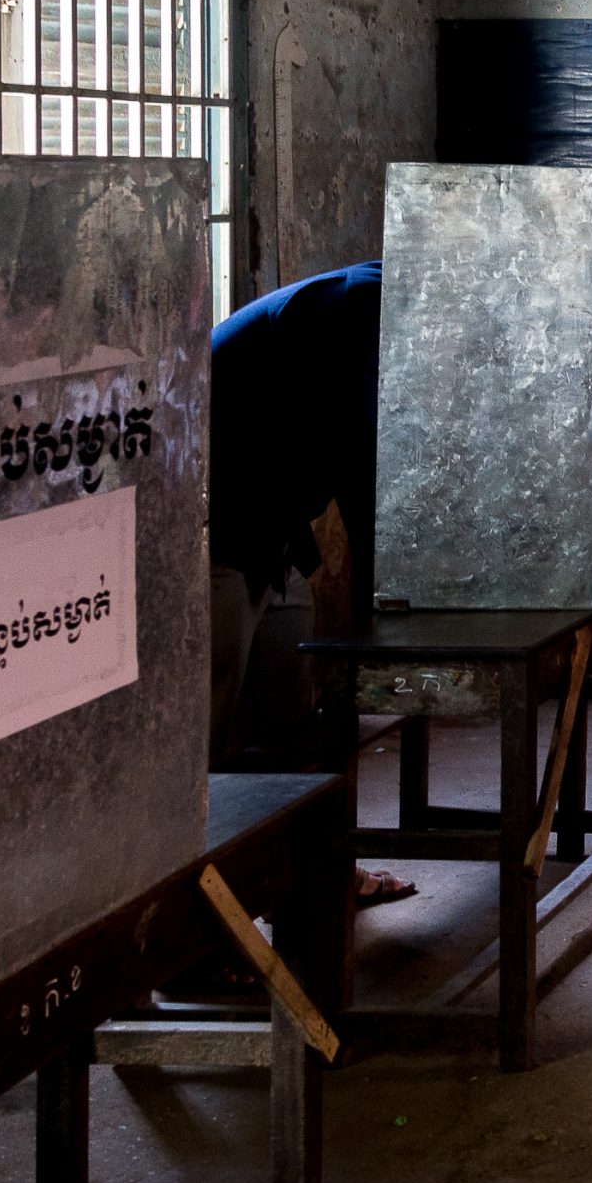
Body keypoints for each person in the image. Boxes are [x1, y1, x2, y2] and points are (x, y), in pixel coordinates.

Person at [208, 262, 414, 904]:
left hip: (275, 530)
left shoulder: (394, 306)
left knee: (296, 728)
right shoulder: (362, 310)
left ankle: (317, 881)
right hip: (211, 525)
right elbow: (366, 482)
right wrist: (396, 622)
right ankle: (199, 936)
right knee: (207, 744)